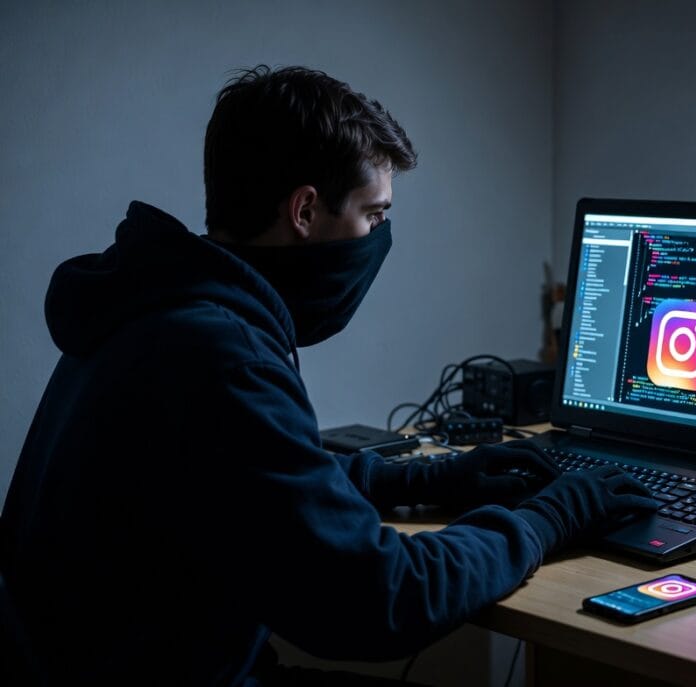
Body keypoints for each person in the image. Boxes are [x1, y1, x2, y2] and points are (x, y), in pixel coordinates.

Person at [0, 65, 658, 686]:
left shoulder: (153, 307)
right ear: (306, 211)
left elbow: (260, 482)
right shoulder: (218, 355)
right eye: (373, 215)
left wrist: (430, 478)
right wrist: (550, 516)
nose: (379, 237)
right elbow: (379, 597)